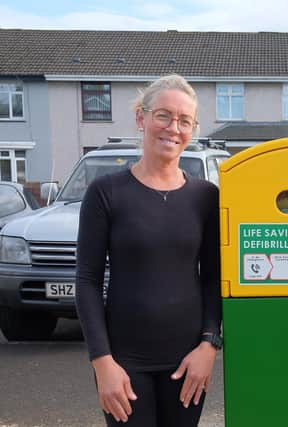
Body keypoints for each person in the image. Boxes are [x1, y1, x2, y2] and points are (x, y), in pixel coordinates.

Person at [75, 74, 222, 426]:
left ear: (193, 129)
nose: (174, 128)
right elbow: (87, 281)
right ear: (142, 118)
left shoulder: (206, 197)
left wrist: (209, 347)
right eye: (164, 116)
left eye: (185, 120)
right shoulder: (105, 193)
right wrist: (102, 362)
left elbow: (214, 278)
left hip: (188, 363)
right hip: (124, 364)